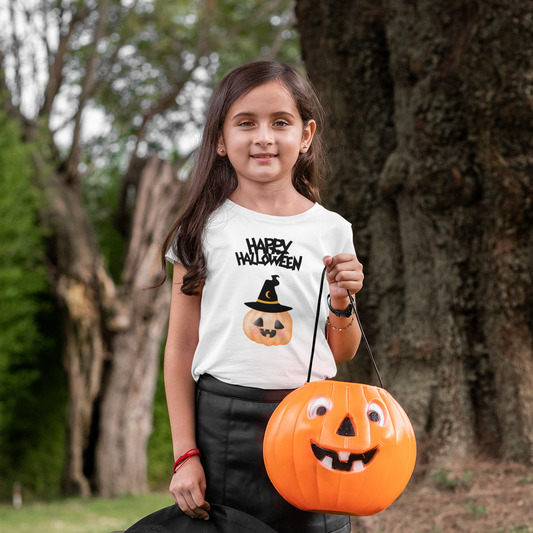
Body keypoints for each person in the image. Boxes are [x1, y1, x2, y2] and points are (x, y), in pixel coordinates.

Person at [158, 61, 363, 533]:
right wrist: (185, 453)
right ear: (220, 140)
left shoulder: (332, 229)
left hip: (315, 421)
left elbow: (343, 350)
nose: (264, 137)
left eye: (280, 122)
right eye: (245, 123)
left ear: (306, 135)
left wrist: (340, 301)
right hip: (223, 423)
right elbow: (180, 348)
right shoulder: (201, 230)